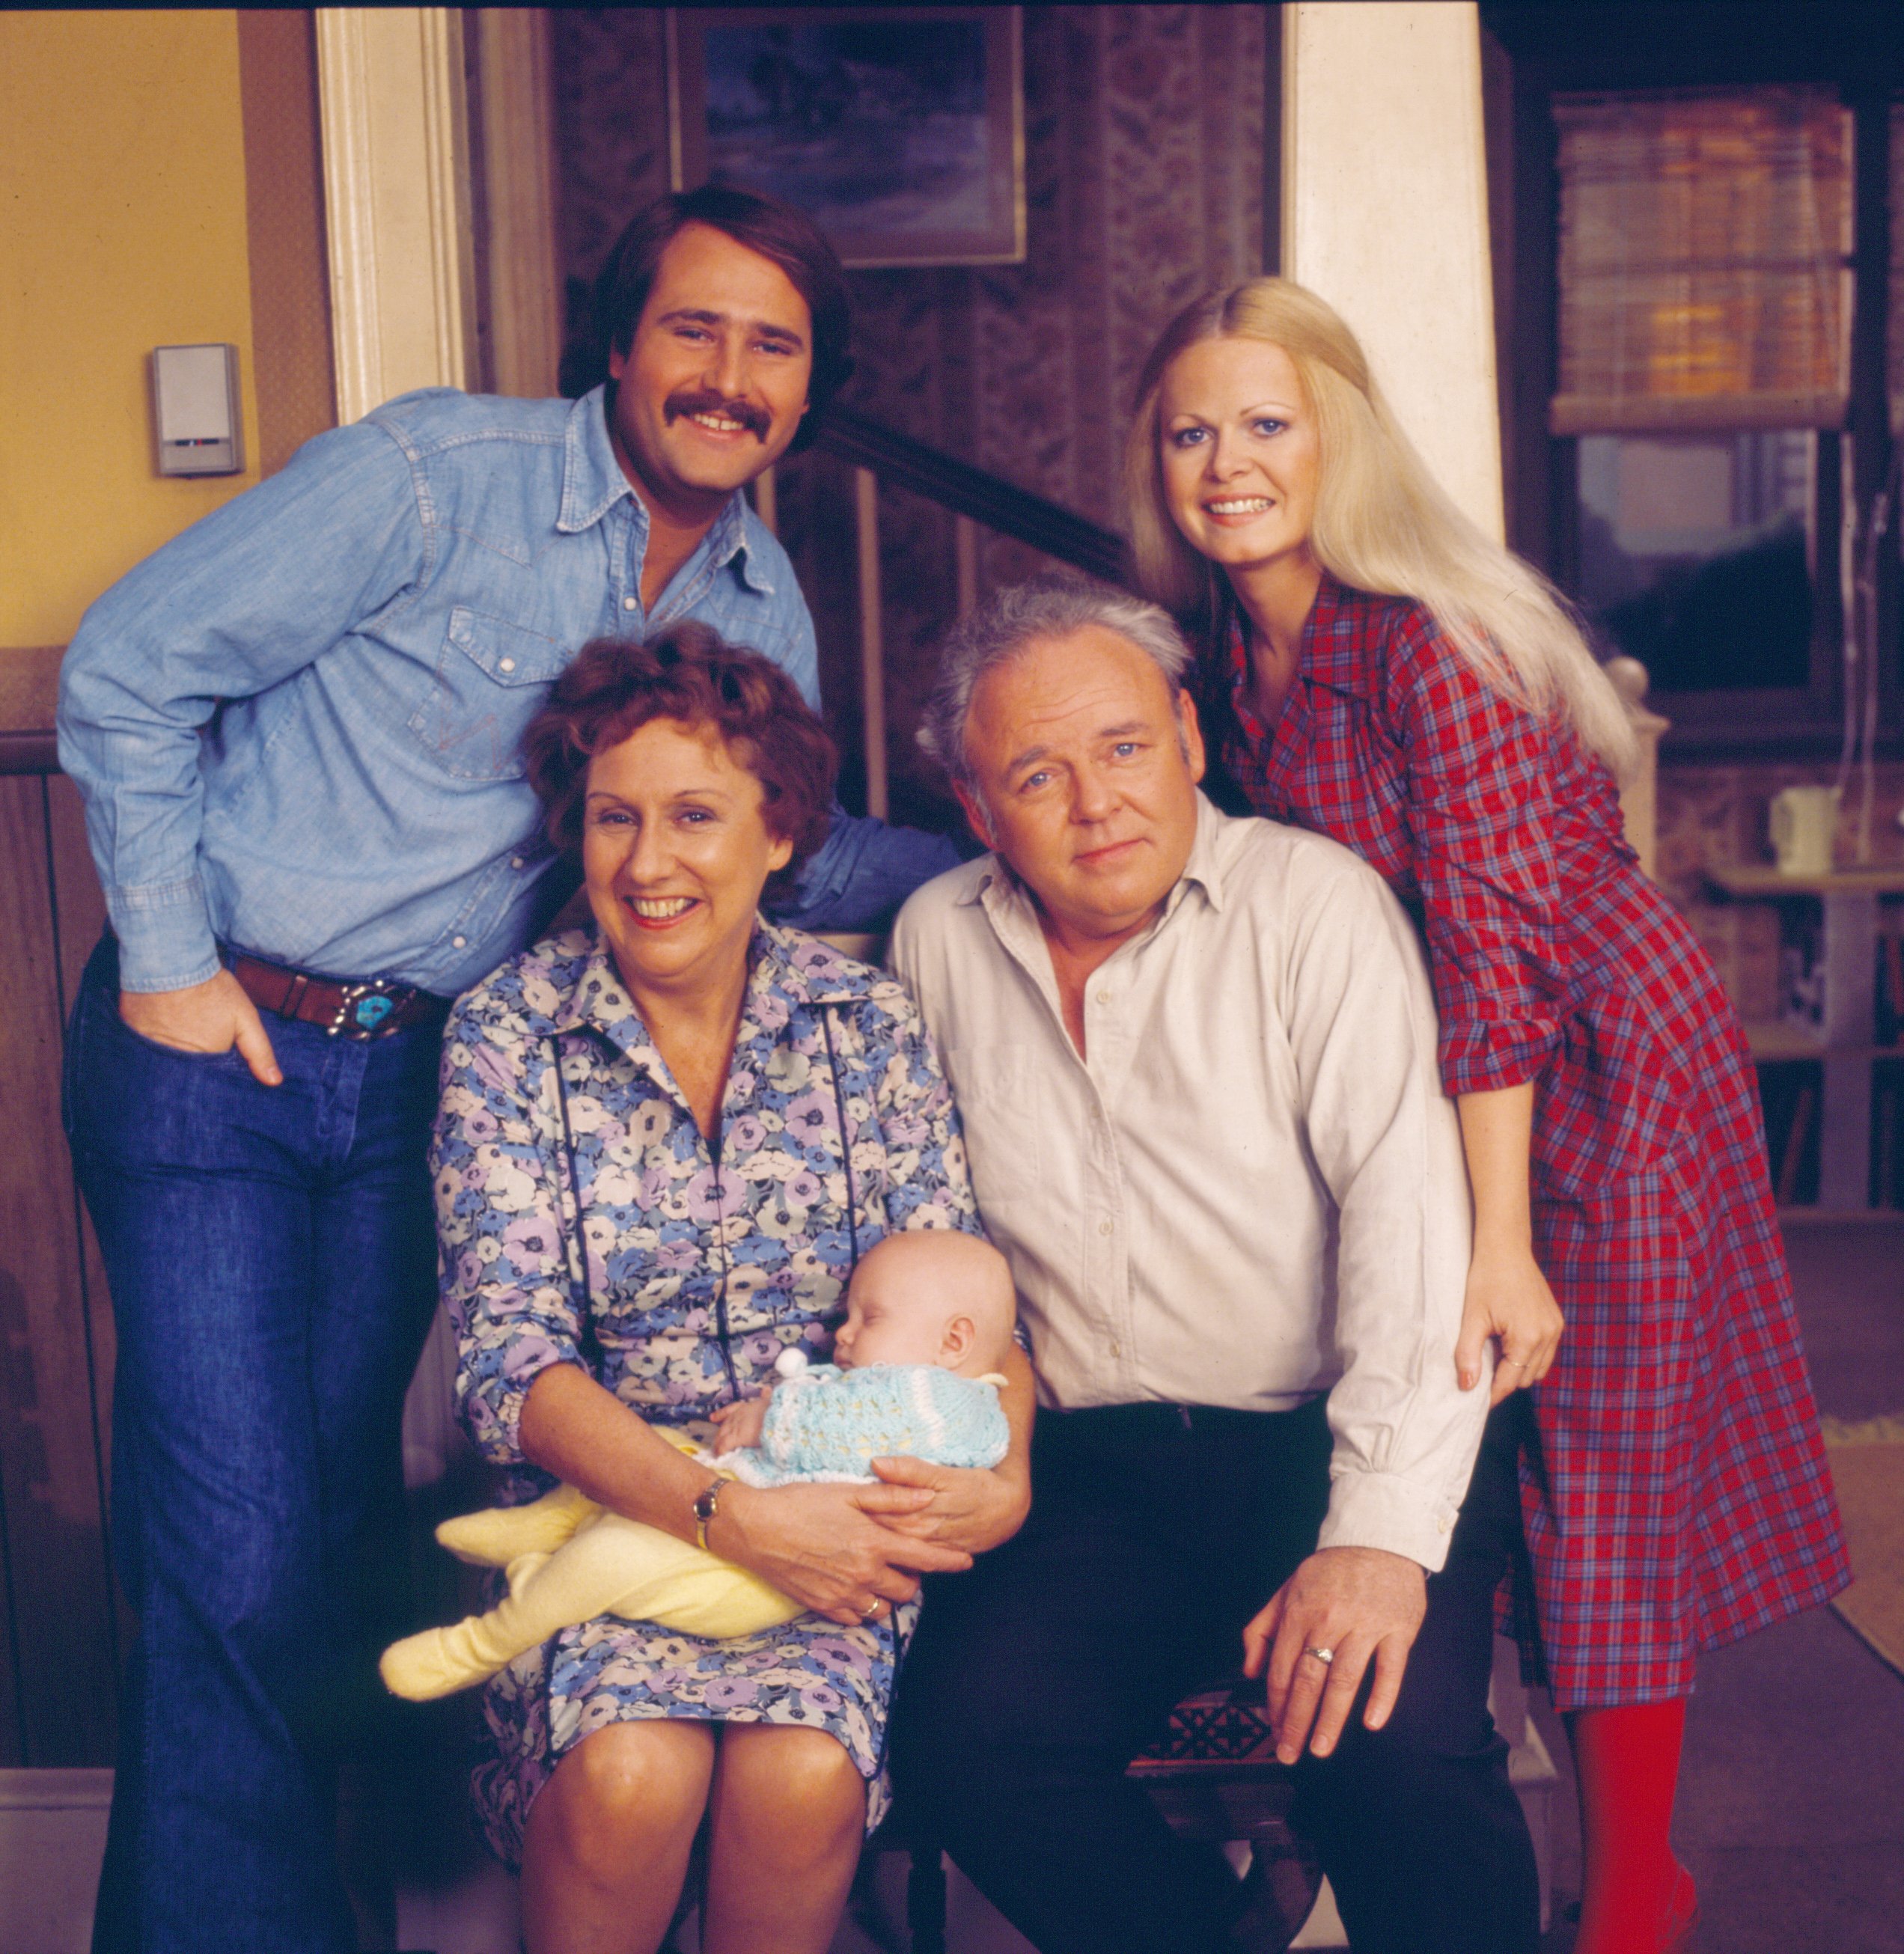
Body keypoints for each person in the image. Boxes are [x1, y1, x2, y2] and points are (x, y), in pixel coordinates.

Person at [57, 183, 956, 1954]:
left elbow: (793, 846)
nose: (725, 373)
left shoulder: (764, 608)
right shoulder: (428, 477)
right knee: (231, 1566)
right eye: (691, 328)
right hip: (214, 1056)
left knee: (302, 1571)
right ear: (617, 343)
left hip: (417, 1095)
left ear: (806, 391)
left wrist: (1014, 862)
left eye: (771, 346)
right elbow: (125, 666)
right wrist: (166, 963)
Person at [1124, 275, 1851, 1954]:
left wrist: (1500, 1244)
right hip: (1470, 1059)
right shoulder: (1235, 649)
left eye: (1265, 424)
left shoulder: (1421, 639)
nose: (1224, 462)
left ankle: (1633, 1897)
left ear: (1339, 437)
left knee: (1592, 1472)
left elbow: (1495, 946)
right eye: (1188, 432)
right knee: (1499, 1463)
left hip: (1593, 1054)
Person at [888, 576, 1542, 1954]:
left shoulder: (1315, 907)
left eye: (1124, 746)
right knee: (964, 1745)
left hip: (1327, 1437)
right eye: (1037, 771)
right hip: (1088, 1472)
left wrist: (1367, 1537)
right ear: (975, 806)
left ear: (1187, 736)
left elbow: (1409, 1239)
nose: (1095, 800)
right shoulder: (934, 940)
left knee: (1384, 1747)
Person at [440, 625, 1032, 1954]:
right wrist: (719, 1514)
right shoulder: (507, 1036)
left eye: (694, 815)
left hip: (840, 1520)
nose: (647, 864)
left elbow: (969, 1294)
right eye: (612, 820)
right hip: (602, 1514)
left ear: (777, 834)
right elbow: (510, 1365)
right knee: (630, 1769)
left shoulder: (864, 1024)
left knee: (798, 1768)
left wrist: (1013, 1469)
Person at [379, 1230, 1016, 1696]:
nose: (841, 1334)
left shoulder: (943, 1404)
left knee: (612, 1560)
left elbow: (843, 1436)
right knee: (651, 1447)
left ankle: (481, 1644)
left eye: (868, 1317)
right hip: (749, 1499)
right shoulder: (915, 1384)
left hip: (781, 1573)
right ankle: (544, 1525)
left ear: (953, 1340)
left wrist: (770, 1417)